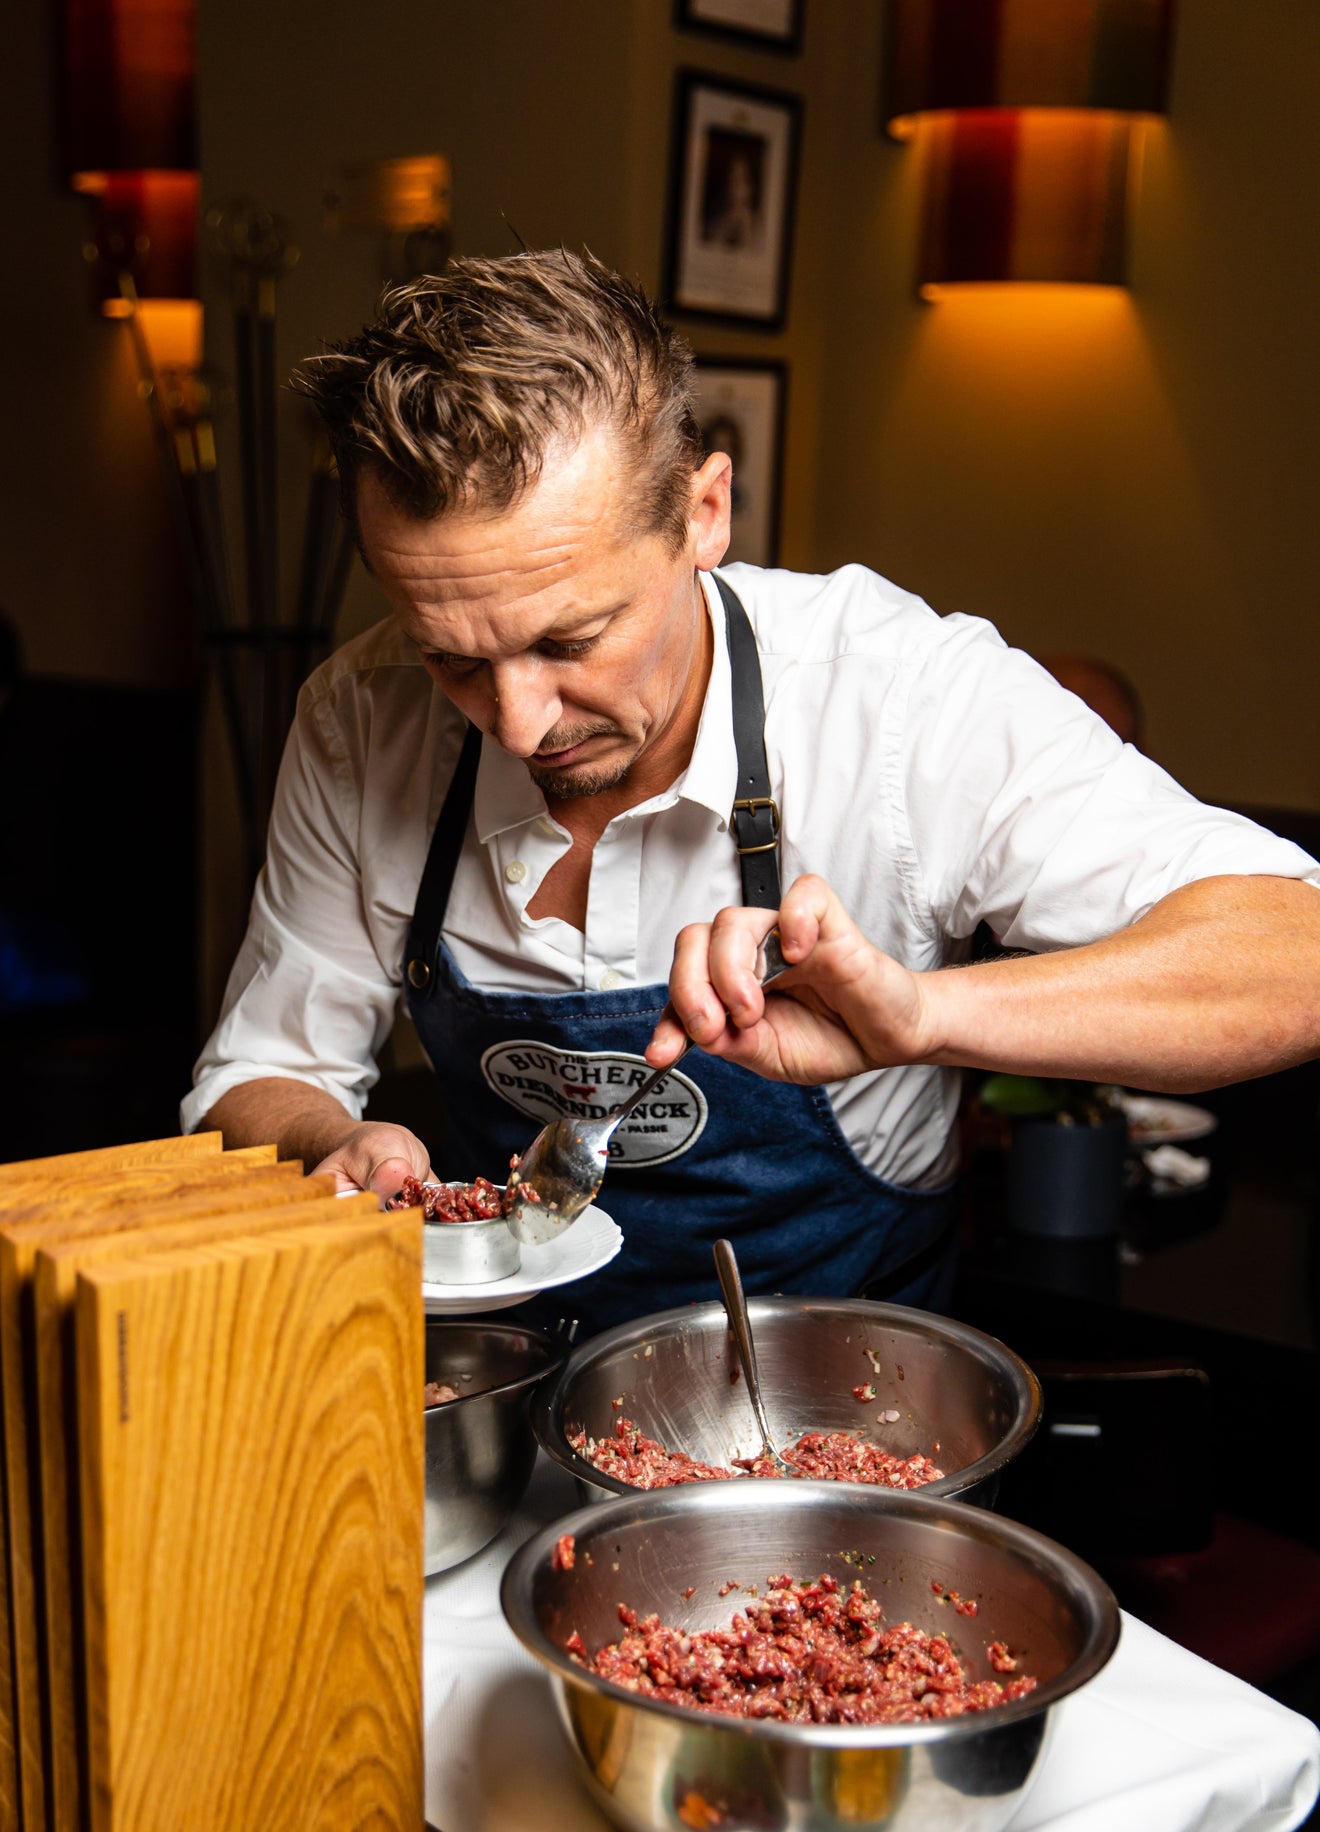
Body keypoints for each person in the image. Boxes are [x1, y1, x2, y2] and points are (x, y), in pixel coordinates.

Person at [183, 249, 1320, 1331]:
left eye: (572, 637)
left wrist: (924, 1020)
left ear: (703, 513)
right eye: (454, 658)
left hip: (844, 1415)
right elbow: (260, 1072)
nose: (520, 722)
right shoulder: (356, 715)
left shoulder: (900, 696)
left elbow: (1295, 954)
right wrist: (330, 1143)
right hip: (505, 1398)